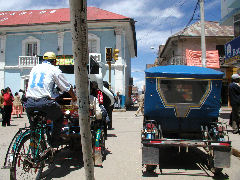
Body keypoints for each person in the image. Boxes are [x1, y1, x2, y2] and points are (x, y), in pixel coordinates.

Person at [25, 52, 76, 147]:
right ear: (55, 61)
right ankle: (55, 142)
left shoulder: (35, 68)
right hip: (44, 103)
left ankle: (35, 149)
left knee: (34, 129)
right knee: (59, 117)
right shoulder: (54, 69)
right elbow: (67, 87)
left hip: (29, 102)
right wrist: (74, 97)